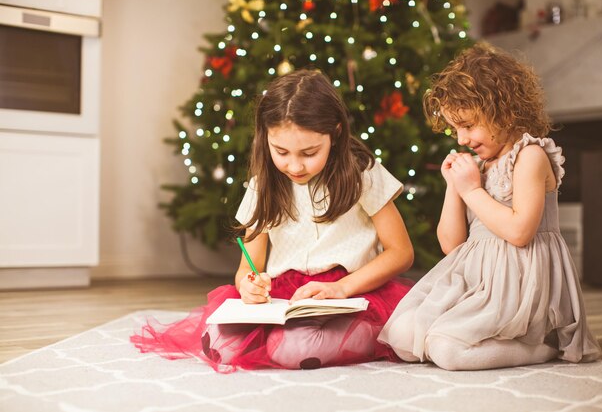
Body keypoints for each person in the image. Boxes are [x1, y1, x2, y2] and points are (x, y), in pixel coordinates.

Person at [132, 69, 415, 372]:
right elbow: (247, 268)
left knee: (293, 350)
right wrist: (248, 286)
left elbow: (401, 253)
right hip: (286, 296)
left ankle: (377, 334)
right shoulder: (262, 185)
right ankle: (315, 339)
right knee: (220, 345)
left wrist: (342, 288)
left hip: (351, 291)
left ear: (335, 132)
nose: (294, 165)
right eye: (281, 151)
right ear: (265, 137)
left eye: (309, 152)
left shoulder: (362, 173)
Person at [378, 42, 602, 371]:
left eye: (468, 126)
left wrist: (471, 191)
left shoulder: (530, 157)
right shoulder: (479, 168)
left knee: (446, 349)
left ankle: (542, 347)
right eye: (455, 129)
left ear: (505, 111)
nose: (460, 139)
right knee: (403, 334)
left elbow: (519, 231)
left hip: (521, 287)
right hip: (478, 281)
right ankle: (479, 335)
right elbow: (451, 245)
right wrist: (455, 188)